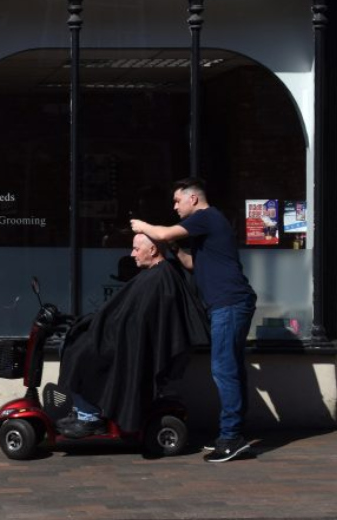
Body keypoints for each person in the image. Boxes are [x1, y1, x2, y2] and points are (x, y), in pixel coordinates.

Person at [130, 177, 258, 463]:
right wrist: (176, 248)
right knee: (232, 369)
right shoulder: (207, 228)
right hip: (229, 304)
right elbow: (192, 264)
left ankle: (231, 437)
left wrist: (142, 226)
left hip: (229, 304)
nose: (175, 206)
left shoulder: (206, 217)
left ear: (193, 199)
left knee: (223, 370)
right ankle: (234, 434)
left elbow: (161, 234)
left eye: (177, 200)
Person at [56, 233, 209, 440]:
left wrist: (103, 325)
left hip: (128, 344)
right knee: (75, 343)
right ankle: (84, 410)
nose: (132, 254)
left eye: (136, 249)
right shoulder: (157, 274)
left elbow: (139, 321)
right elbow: (128, 315)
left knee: (79, 354)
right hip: (123, 338)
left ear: (153, 250)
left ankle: (90, 417)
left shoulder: (159, 278)